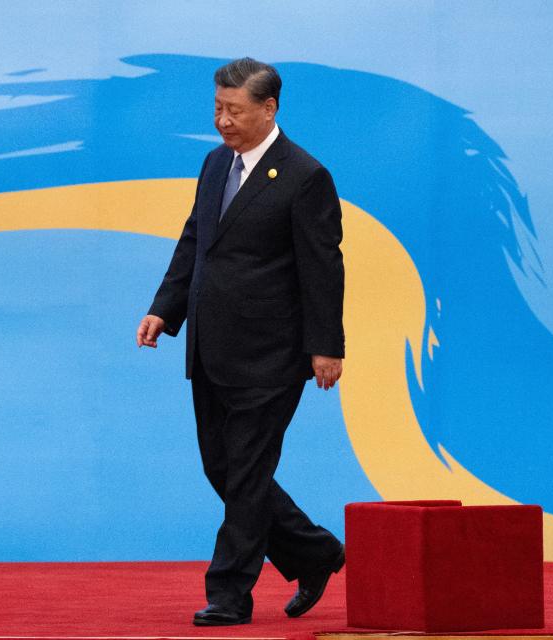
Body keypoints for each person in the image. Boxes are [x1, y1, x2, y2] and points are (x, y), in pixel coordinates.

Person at [136, 57, 345, 627]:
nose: (223, 121)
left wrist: (326, 345)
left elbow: (323, 266)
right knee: (223, 469)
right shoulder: (213, 165)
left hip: (272, 354)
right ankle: (314, 552)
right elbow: (195, 241)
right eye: (217, 109)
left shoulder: (305, 176)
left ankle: (230, 593)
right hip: (210, 346)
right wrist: (164, 308)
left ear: (268, 108)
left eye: (234, 110)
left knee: (247, 473)